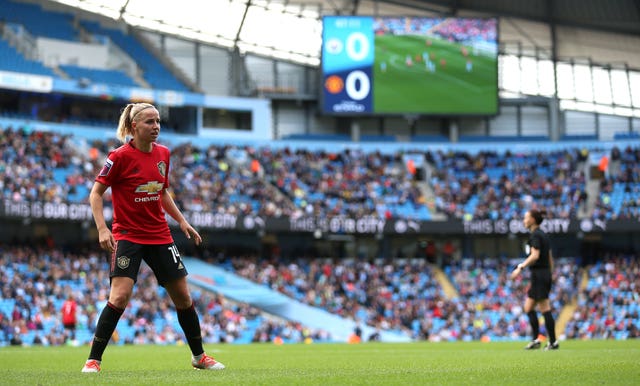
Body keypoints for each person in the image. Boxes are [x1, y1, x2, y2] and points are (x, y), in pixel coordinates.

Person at [81, 103, 225, 373]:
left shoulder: (163, 154)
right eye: (149, 122)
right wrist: (103, 228)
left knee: (183, 297)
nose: (156, 126)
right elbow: (95, 194)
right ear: (134, 126)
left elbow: (161, 191)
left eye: (158, 121)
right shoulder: (119, 156)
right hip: (128, 236)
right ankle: (93, 360)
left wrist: (182, 221)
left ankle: (199, 357)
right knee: (120, 297)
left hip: (159, 235)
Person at [510, 209, 559, 351]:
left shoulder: (536, 236)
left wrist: (520, 267)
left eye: (526, 218)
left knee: (544, 307)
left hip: (539, 275)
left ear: (532, 220)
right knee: (528, 307)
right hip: (543, 274)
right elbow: (549, 257)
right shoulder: (543, 235)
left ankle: (553, 342)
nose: (524, 220)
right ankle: (536, 339)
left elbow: (535, 255)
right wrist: (550, 273)